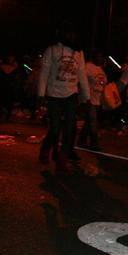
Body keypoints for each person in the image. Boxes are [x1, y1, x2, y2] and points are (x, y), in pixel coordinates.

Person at [37, 22, 90, 173]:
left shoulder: (78, 52)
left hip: (71, 94)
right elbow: (44, 74)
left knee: (69, 129)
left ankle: (62, 160)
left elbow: (82, 76)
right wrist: (40, 94)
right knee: (55, 128)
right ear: (62, 34)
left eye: (74, 33)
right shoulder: (52, 50)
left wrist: (87, 98)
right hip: (54, 94)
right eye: (70, 33)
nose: (73, 36)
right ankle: (46, 148)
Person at [78, 51, 107, 151]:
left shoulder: (101, 69)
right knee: (93, 122)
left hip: (98, 98)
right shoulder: (87, 67)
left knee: (89, 122)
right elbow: (82, 80)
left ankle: (81, 141)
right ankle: (94, 143)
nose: (100, 59)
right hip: (89, 99)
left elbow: (103, 81)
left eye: (101, 57)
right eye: (97, 57)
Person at [0, 56, 18, 122]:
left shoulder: (1, 68)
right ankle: (8, 116)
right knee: (9, 102)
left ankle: (0, 115)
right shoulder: (13, 69)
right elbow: (15, 79)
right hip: (9, 87)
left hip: (1, 86)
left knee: (0, 101)